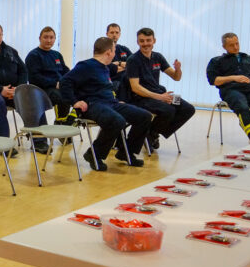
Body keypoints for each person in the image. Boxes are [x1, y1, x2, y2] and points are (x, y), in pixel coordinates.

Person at [60, 37, 152, 171]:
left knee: (144, 116)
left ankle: (125, 152)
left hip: (111, 103)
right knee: (117, 121)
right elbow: (64, 82)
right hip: (92, 104)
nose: (115, 54)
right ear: (109, 52)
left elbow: (117, 69)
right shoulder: (86, 66)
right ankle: (94, 154)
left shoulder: (105, 67)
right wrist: (74, 102)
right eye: (114, 51)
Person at [123, 27, 195, 149]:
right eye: (142, 41)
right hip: (142, 98)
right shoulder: (133, 60)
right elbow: (135, 88)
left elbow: (176, 77)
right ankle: (151, 134)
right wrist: (160, 97)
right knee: (168, 110)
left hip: (160, 94)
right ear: (138, 42)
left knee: (188, 109)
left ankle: (152, 133)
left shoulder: (158, 57)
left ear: (154, 40)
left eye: (148, 40)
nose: (145, 44)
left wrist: (178, 69)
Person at [206, 32, 250, 142]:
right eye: (231, 45)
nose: (236, 47)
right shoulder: (216, 61)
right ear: (224, 47)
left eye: (237, 43)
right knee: (242, 107)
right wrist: (233, 78)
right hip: (231, 90)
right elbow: (214, 81)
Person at [24, 26, 74, 153]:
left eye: (51, 37)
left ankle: (61, 125)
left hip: (58, 87)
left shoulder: (56, 55)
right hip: (40, 90)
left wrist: (68, 81)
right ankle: (41, 140)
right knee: (61, 97)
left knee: (73, 96)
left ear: (55, 39)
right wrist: (55, 83)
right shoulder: (33, 55)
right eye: (45, 37)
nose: (48, 40)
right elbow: (35, 77)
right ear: (40, 38)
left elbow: (66, 71)